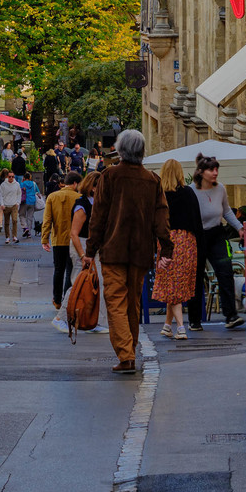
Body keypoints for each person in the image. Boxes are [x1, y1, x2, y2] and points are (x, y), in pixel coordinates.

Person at [85, 130, 172, 373]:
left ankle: (126, 355)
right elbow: (161, 218)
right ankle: (129, 352)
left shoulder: (110, 176)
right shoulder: (153, 180)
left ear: (121, 150)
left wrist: (90, 249)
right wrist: (166, 248)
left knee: (115, 301)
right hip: (141, 251)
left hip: (114, 249)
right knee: (133, 303)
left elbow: (98, 217)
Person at [191, 155, 245, 331]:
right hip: (197, 236)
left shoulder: (220, 189)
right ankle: (194, 319)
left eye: (216, 169)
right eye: (211, 169)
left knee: (225, 270)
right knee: (196, 276)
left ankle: (231, 315)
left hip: (217, 234)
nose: (215, 173)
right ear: (201, 172)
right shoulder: (192, 191)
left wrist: (239, 228)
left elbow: (227, 211)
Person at [153, 158, 201, 340]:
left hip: (167, 241)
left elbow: (155, 222)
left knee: (171, 284)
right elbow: (197, 220)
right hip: (188, 241)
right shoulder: (189, 193)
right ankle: (168, 325)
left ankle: (180, 327)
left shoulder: (161, 195)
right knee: (177, 284)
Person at [41, 167, 80, 327]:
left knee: (58, 269)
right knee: (70, 271)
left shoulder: (52, 197)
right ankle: (66, 299)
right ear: (75, 183)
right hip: (74, 240)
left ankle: (56, 299)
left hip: (57, 239)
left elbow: (47, 219)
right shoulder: (79, 197)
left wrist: (45, 239)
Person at [0, 168, 22, 244]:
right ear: (7, 177)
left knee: (15, 220)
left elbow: (19, 194)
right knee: (7, 222)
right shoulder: (3, 185)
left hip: (14, 205)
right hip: (6, 205)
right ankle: (7, 237)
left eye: (12, 177)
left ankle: (14, 236)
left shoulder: (17, 184)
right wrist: (2, 204)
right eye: (10, 176)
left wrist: (18, 203)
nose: (11, 178)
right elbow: (0, 195)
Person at [18, 168, 40, 239]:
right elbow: (38, 192)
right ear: (30, 177)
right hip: (32, 201)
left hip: (24, 201)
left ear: (24, 178)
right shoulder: (34, 184)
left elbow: (19, 192)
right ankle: (29, 233)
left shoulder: (22, 184)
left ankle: (25, 227)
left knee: (21, 215)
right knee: (30, 217)